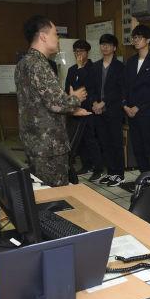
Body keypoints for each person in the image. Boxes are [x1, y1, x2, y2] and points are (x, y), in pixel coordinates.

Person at [15, 15, 89, 187]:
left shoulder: (23, 63)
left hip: (34, 141)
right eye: (56, 34)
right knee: (54, 195)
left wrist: (71, 109)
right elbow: (56, 102)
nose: (58, 39)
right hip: (49, 146)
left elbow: (39, 102)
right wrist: (75, 99)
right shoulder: (39, 65)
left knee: (39, 191)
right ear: (43, 36)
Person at [122, 24, 150, 192]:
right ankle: (143, 177)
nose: (136, 41)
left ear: (148, 40)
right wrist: (125, 105)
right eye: (134, 38)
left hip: (145, 112)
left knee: (148, 147)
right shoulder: (131, 61)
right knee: (137, 147)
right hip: (130, 112)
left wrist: (138, 107)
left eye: (139, 37)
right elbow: (123, 85)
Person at [64, 39, 103, 179]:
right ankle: (86, 165)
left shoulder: (94, 68)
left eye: (80, 51)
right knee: (78, 140)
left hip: (89, 108)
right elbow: (68, 88)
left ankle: (98, 168)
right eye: (75, 51)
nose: (77, 54)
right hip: (75, 109)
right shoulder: (71, 69)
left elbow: (90, 85)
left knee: (90, 139)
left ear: (87, 52)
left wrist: (81, 68)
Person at [91, 33, 125, 187]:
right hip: (98, 111)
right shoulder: (95, 66)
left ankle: (119, 174)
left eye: (108, 45)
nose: (104, 47)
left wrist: (103, 102)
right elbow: (90, 87)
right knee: (104, 143)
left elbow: (119, 90)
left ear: (114, 48)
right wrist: (94, 103)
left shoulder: (120, 67)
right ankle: (111, 172)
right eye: (102, 44)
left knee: (116, 142)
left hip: (113, 110)